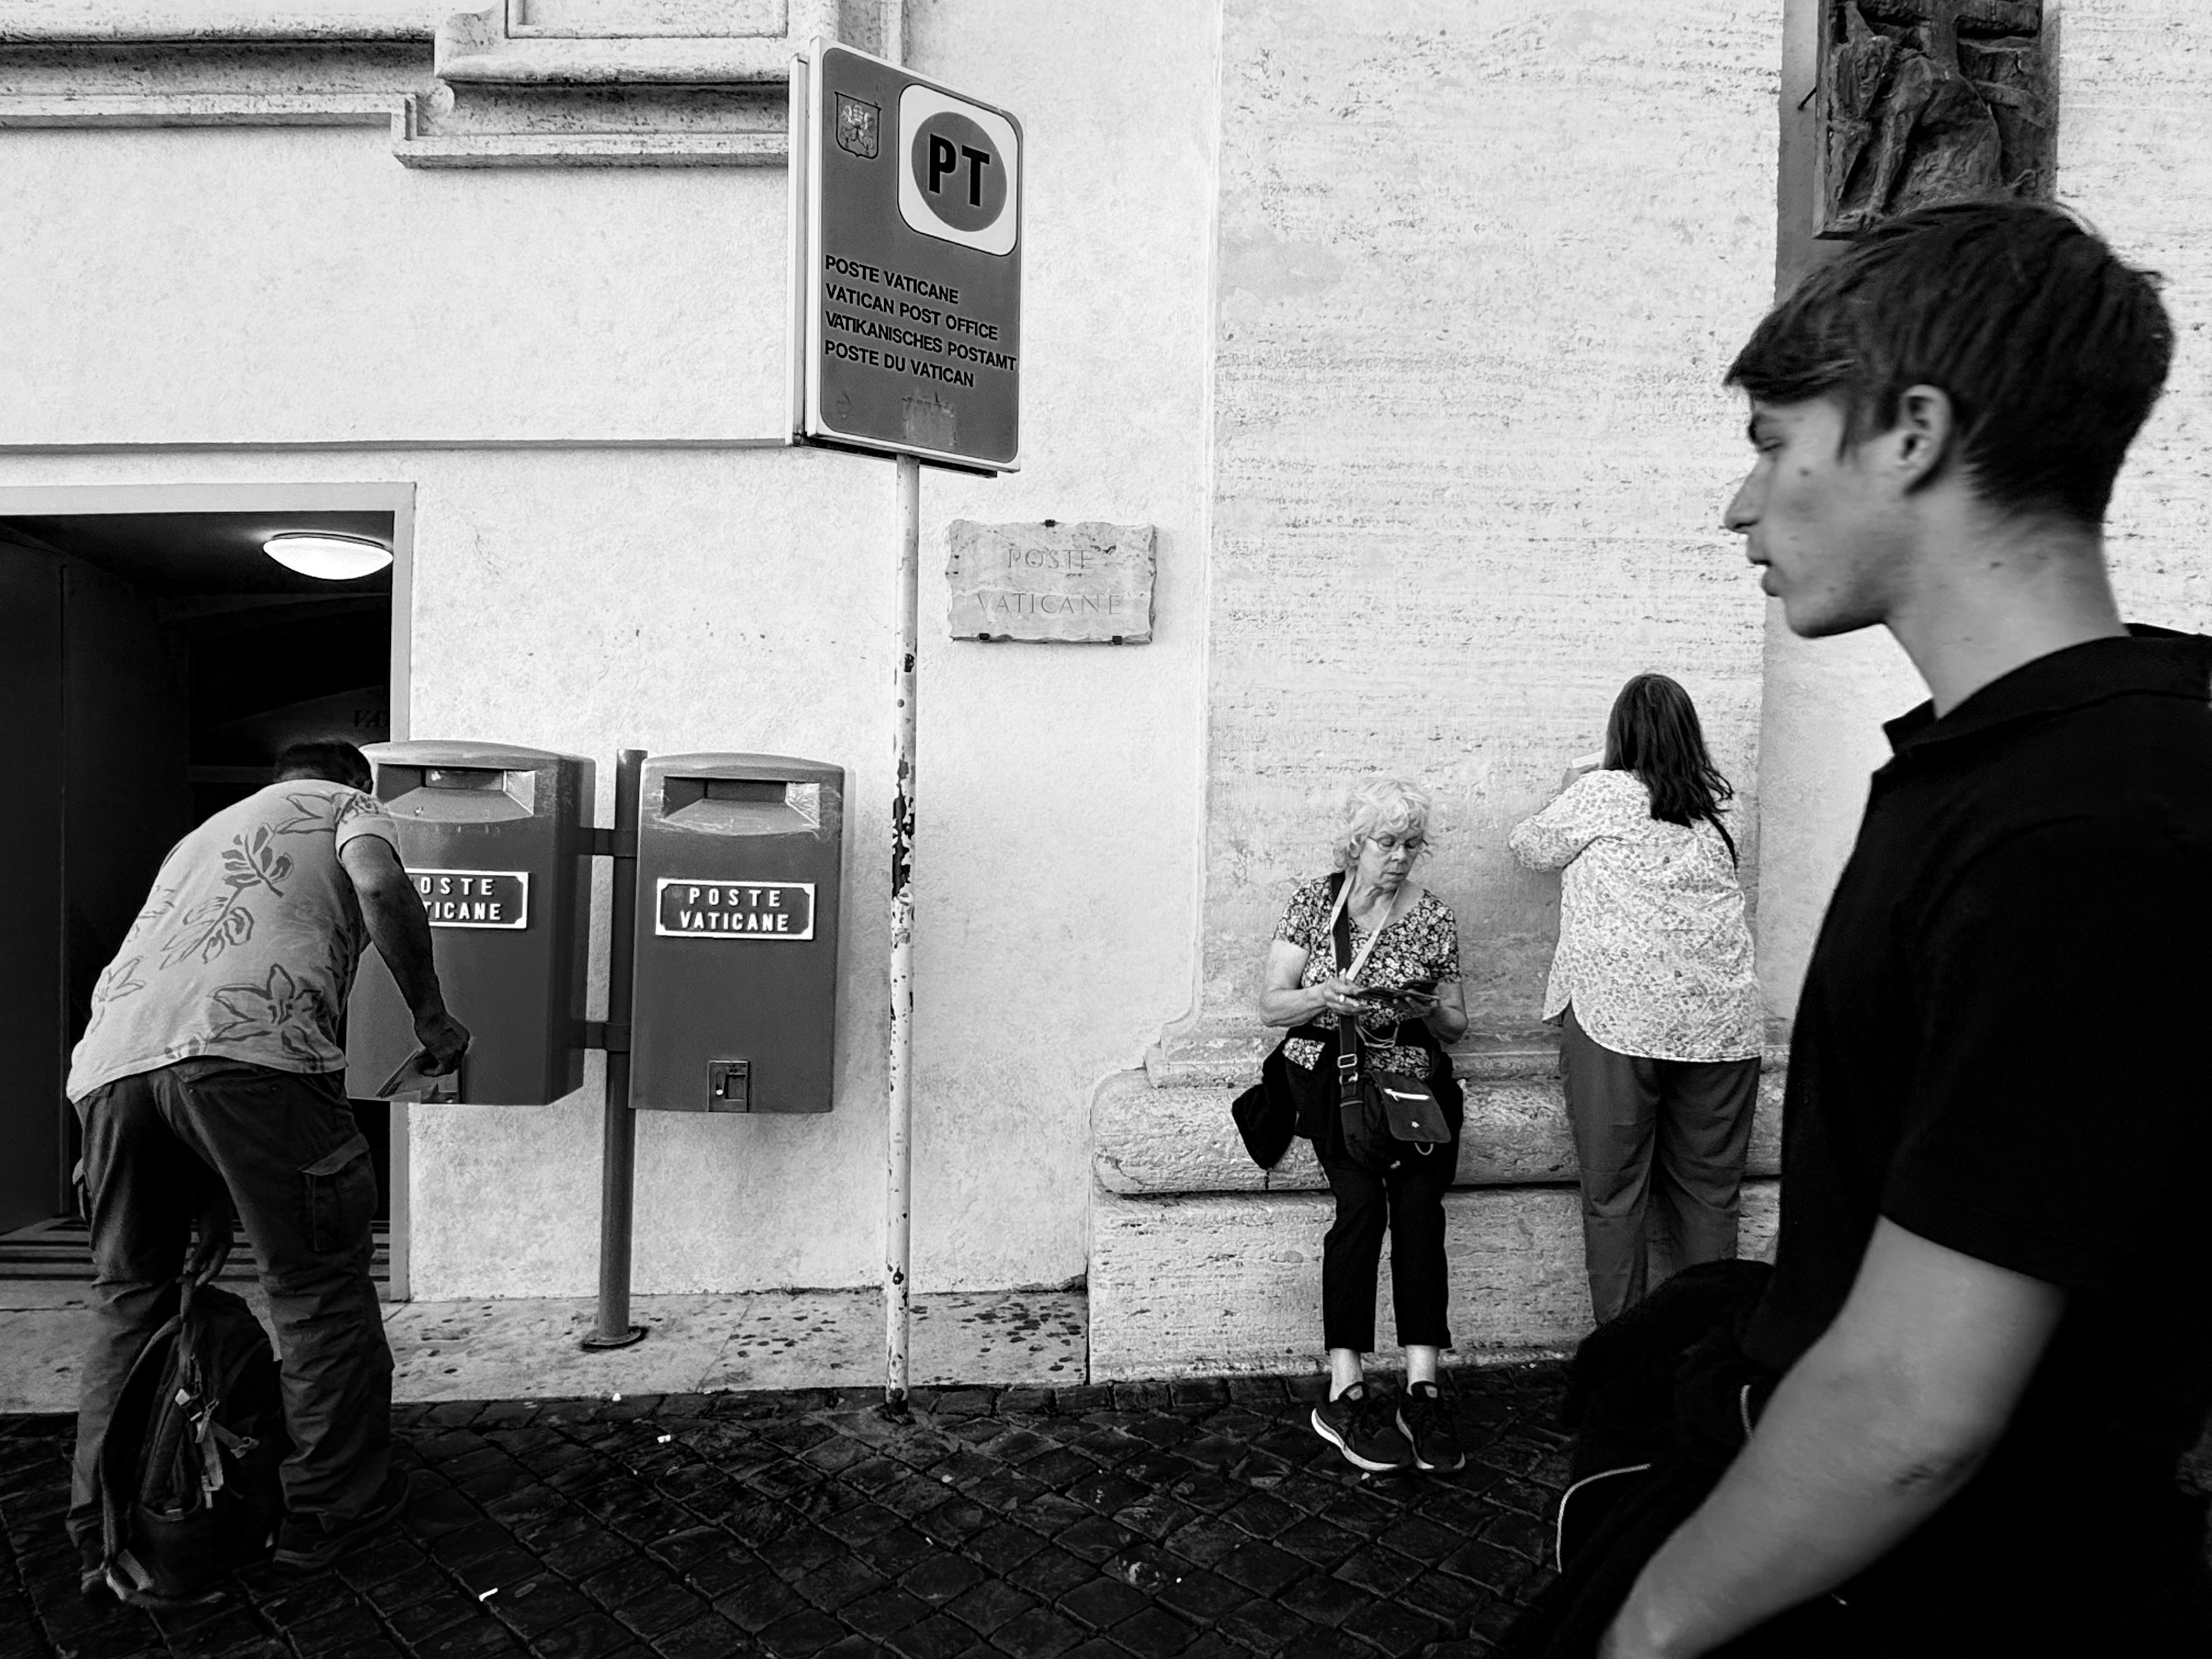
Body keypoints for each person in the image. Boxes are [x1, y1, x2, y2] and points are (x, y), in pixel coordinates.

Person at [1504, 201, 2212, 1658]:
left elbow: (1911, 1408)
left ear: (1912, 434)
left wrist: (1642, 1633)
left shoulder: (2078, 832)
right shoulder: (2048, 764)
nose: (1740, 504)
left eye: (1773, 440)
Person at [67, 740, 469, 1595]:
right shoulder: (348, 808)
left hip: (109, 1067)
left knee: (130, 1296)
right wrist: (432, 1018)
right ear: (354, 779)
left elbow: (178, 1055)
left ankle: (102, 1519)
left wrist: (211, 1202)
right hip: (259, 1050)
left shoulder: (201, 834)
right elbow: (378, 886)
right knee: (317, 1290)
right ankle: (332, 1509)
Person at [1508, 674, 1762, 1325]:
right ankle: (1709, 1350)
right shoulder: (1722, 805)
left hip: (1618, 1021)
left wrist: (1578, 777)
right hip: (1721, 1029)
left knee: (1616, 1193)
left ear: (1619, 733)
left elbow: (1530, 847)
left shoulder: (1603, 794)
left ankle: (1625, 1358)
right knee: (1709, 1194)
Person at [1259, 778, 1471, 1474]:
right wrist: (1326, 994)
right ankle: (1345, 1387)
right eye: (1387, 843)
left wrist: (1429, 1007)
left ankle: (1422, 1386)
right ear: (1357, 845)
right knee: (1358, 1212)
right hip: (1337, 1085)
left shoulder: (1434, 917)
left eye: (1412, 845)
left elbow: (1458, 1024)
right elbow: (1271, 1004)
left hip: (1414, 1090)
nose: (1401, 858)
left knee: (1419, 1216)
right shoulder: (1317, 904)